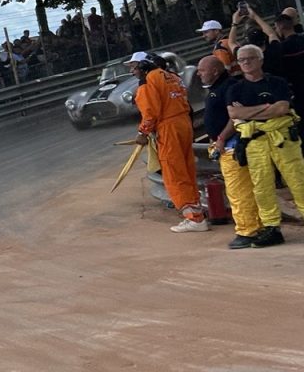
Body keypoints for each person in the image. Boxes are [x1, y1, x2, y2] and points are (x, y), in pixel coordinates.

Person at [226, 44, 304, 247]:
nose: (246, 62)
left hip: (282, 139)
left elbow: (282, 108)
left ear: (260, 60)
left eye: (250, 58)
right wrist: (266, 107)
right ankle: (271, 228)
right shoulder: (235, 88)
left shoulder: (277, 82)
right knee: (261, 187)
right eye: (241, 60)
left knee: (298, 180)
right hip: (255, 142)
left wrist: (249, 112)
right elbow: (234, 114)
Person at [127, 51, 207, 232]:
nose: (132, 71)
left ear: (144, 65)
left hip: (168, 128)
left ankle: (194, 218)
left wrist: (143, 133)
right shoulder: (172, 76)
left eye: (134, 67)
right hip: (184, 124)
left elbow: (150, 112)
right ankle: (197, 211)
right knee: (186, 170)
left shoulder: (148, 81)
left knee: (174, 173)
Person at [197, 55, 262, 248]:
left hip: (232, 146)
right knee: (242, 190)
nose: (198, 74)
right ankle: (256, 226)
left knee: (238, 191)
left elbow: (235, 117)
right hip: (226, 146)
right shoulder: (218, 87)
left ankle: (248, 231)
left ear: (215, 71)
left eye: (202, 70)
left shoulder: (229, 87)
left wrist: (221, 138)